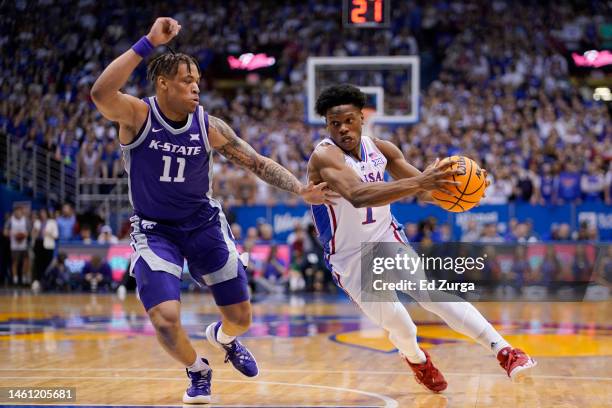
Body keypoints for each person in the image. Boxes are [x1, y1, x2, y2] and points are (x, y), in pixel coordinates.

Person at [90, 17, 336, 404]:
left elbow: (255, 161)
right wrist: (148, 42)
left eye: (198, 81)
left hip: (203, 223)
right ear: (163, 84)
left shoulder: (207, 124)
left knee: (241, 318)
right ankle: (197, 369)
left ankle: (224, 339)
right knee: (165, 321)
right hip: (155, 231)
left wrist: (299, 189)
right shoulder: (137, 115)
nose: (195, 87)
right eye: (187, 80)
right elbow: (101, 93)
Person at [307, 84, 536, 393]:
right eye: (335, 124)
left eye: (349, 120)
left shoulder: (382, 149)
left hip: (386, 238)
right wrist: (421, 182)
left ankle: (505, 351)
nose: (343, 129)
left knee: (428, 291)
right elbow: (359, 195)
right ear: (327, 126)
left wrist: (464, 193)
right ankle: (416, 359)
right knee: (400, 325)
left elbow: (427, 190)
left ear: (362, 118)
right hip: (349, 259)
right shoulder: (324, 156)